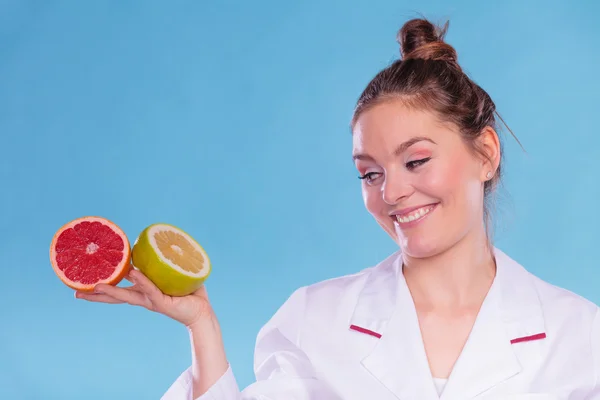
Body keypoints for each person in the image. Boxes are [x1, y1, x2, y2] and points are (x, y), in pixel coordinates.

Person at [76, 18, 600, 399]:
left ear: (485, 153)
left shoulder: (580, 336)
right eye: (370, 173)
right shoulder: (315, 320)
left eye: (416, 161)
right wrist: (202, 326)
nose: (391, 192)